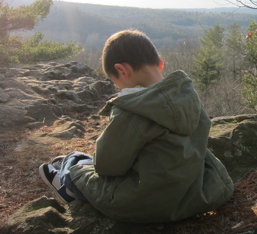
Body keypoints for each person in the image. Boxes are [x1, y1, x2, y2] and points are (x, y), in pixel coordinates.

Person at [39, 29, 234, 223]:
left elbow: (106, 165)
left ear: (122, 70)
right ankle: (73, 163)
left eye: (117, 82)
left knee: (78, 166)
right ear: (160, 63)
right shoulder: (188, 96)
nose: (119, 88)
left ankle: (66, 183)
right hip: (199, 193)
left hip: (148, 204)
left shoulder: (133, 110)